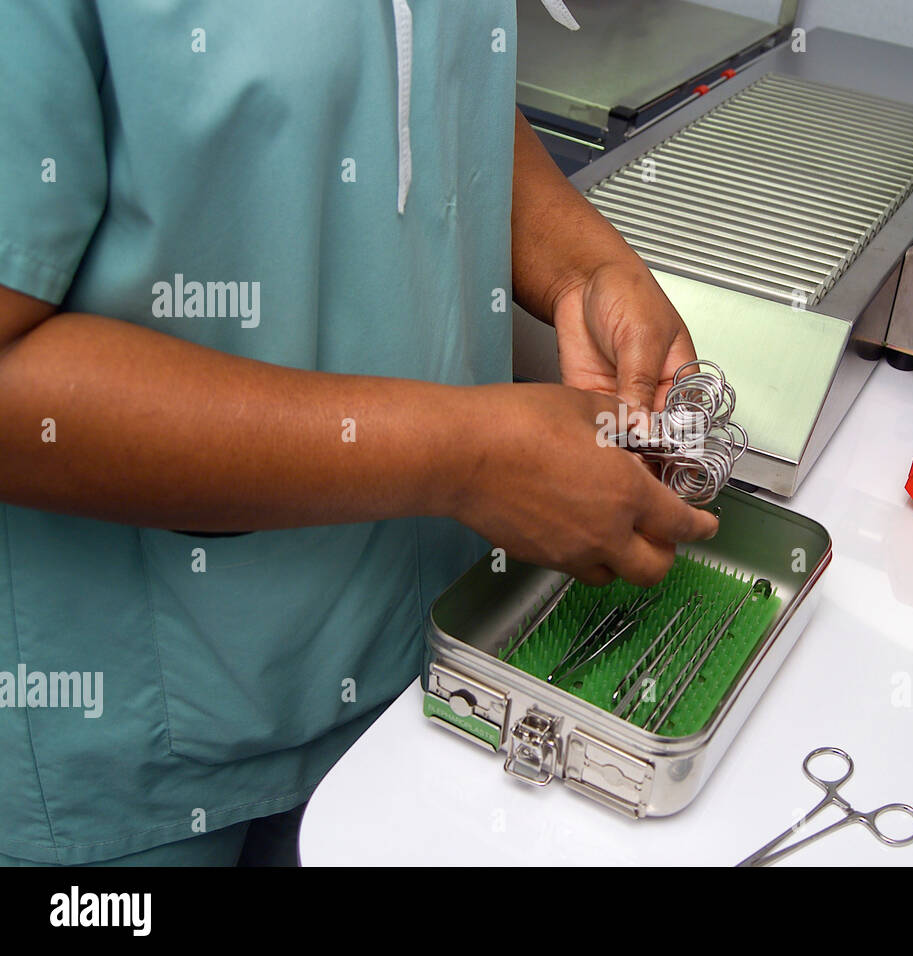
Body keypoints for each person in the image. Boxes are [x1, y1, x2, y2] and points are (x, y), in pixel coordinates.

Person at [0, 0, 716, 865]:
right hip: (130, 749)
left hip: (425, 670)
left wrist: (585, 268)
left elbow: (426, 88)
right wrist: (466, 459)